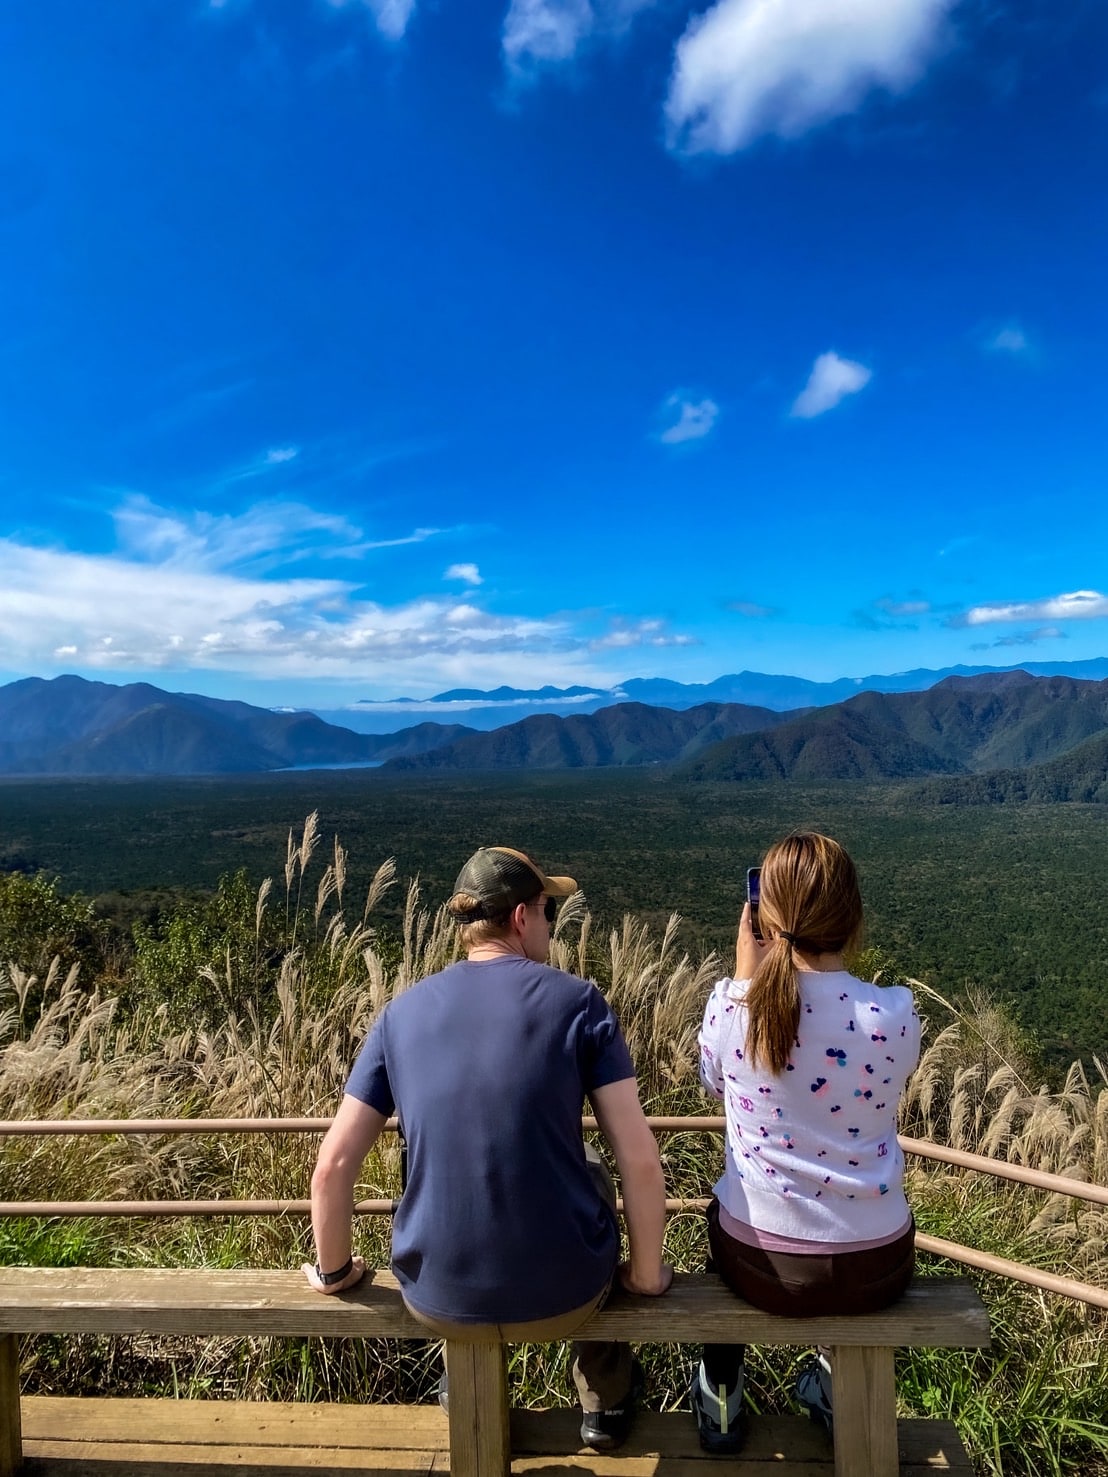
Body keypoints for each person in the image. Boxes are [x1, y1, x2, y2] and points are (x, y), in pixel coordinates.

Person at [303, 844, 672, 1450]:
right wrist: (648, 1275)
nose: (551, 926)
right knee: (595, 1172)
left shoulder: (399, 1014)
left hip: (437, 1297)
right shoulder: (580, 1004)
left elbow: (333, 1166)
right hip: (568, 1294)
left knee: (432, 1171)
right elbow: (639, 1159)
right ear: (521, 917)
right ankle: (604, 1403)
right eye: (547, 912)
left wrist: (337, 1271)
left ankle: (462, 1385)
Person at [691, 832, 920, 1452]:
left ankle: (720, 1399)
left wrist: (744, 977)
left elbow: (712, 1080)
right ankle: (833, 1391)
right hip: (879, 1266)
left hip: (763, 1266)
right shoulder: (897, 1014)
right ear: (854, 919)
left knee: (719, 1215)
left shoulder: (734, 1010)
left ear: (764, 920)